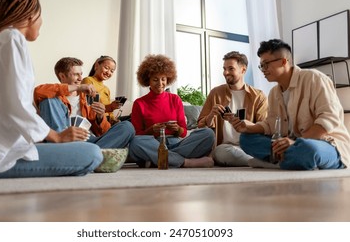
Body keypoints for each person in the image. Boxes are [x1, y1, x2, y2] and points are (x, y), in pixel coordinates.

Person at [0, 0, 103, 178]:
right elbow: (15, 105)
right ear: (30, 16)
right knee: (92, 154)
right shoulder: (11, 38)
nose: (42, 22)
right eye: (40, 15)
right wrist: (56, 136)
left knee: (77, 158)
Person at [234, 39, 350, 170]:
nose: (263, 70)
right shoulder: (274, 93)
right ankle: (289, 160)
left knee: (308, 149)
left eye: (266, 64)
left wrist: (295, 142)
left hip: (326, 144)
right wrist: (249, 128)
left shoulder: (314, 78)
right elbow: (271, 125)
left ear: (284, 61)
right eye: (261, 66)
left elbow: (329, 119)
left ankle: (275, 161)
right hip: (290, 144)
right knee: (246, 139)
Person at [129, 54, 215, 168]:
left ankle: (158, 159)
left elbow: (183, 132)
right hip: (153, 144)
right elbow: (137, 135)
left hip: (176, 143)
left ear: (168, 79)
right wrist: (151, 130)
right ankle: (185, 162)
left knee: (208, 134)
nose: (160, 84)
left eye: (163, 79)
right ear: (147, 80)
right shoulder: (139, 103)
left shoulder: (175, 99)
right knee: (135, 143)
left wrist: (177, 129)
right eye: (155, 80)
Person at [34, 57, 135, 149]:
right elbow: (38, 91)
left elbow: (103, 132)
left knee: (127, 127)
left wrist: (100, 117)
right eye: (76, 74)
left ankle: (92, 154)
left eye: (81, 74)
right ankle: (71, 151)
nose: (80, 78)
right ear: (62, 76)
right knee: (48, 99)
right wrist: (79, 87)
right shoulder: (54, 95)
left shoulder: (89, 97)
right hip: (63, 138)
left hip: (89, 140)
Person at [197, 51, 267, 166]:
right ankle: (257, 162)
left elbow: (264, 128)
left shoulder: (258, 96)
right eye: (224, 69)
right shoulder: (216, 93)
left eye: (230, 69)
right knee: (222, 153)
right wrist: (211, 115)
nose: (225, 72)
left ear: (243, 70)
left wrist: (245, 124)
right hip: (225, 147)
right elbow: (201, 126)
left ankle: (256, 161)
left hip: (249, 145)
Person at [82, 55, 122, 122]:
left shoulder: (106, 89)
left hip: (109, 122)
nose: (108, 72)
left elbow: (110, 113)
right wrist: (110, 107)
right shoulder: (88, 81)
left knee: (132, 118)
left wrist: (114, 119)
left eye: (112, 71)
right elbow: (90, 109)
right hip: (99, 122)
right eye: (106, 68)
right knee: (128, 125)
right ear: (97, 65)